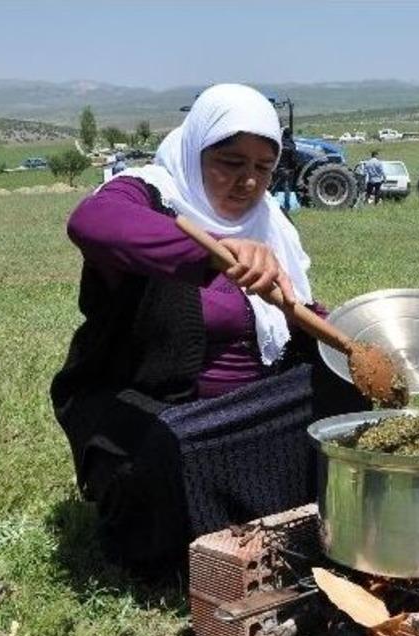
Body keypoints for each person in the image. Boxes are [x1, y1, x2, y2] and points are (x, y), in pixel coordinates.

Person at [50, 84, 368, 578]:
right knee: (170, 446)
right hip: (167, 414)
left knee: (345, 395)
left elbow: (296, 316)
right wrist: (213, 250)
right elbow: (91, 222)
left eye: (264, 167)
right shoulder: (150, 193)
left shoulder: (270, 224)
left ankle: (300, 519)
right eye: (230, 162)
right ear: (195, 148)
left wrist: (352, 343)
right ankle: (190, 551)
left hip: (248, 411)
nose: (248, 182)